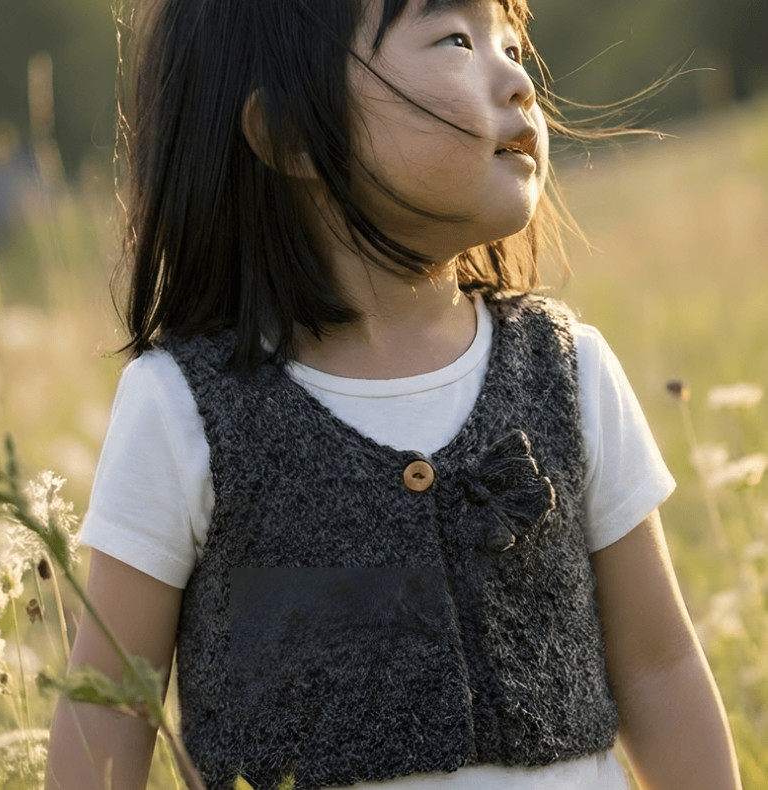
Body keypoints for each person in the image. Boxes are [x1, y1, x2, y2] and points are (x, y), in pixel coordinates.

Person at [45, 0, 743, 788]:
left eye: (510, 43)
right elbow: (108, 706)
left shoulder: (565, 368)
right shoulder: (184, 408)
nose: (518, 79)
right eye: (455, 40)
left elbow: (661, 670)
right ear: (293, 135)